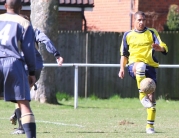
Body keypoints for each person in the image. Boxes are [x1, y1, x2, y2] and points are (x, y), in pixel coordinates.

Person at [9, 15, 63, 134]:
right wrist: (57, 55)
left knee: (20, 97)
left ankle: (21, 126)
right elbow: (46, 40)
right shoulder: (33, 30)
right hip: (36, 66)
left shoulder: (12, 30)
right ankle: (18, 119)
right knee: (21, 96)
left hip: (21, 66)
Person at [118, 11, 168, 134]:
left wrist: (159, 48)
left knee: (151, 98)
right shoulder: (127, 35)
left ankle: (149, 127)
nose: (142, 22)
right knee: (139, 66)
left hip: (150, 67)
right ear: (134, 21)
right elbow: (124, 55)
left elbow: (164, 47)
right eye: (139, 20)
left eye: (143, 20)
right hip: (133, 66)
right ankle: (141, 95)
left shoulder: (152, 33)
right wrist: (122, 69)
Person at [0, 0, 37, 137]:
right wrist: (32, 72)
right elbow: (29, 50)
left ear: (5, 6)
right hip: (13, 63)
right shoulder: (24, 22)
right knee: (23, 103)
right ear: (21, 7)